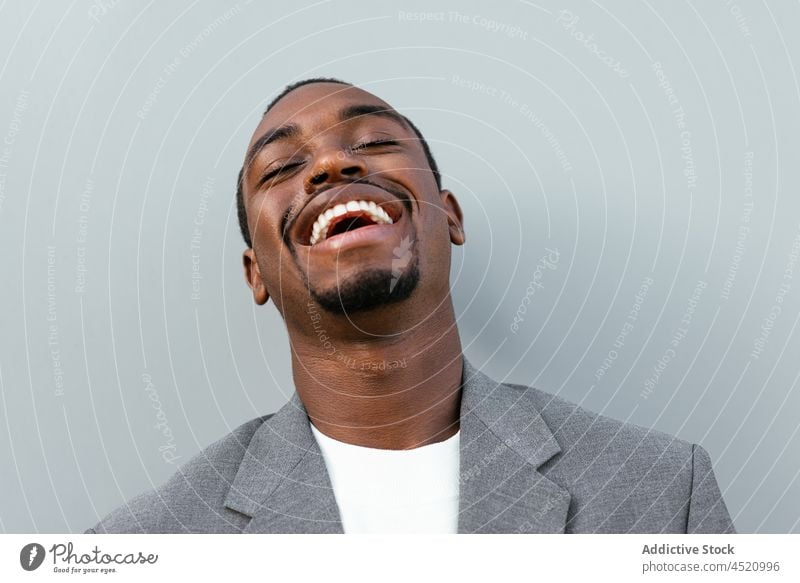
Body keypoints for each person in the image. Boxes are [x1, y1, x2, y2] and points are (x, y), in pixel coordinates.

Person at [86, 78, 735, 534]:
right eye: (283, 165)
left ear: (447, 215)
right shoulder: (146, 543)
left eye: (370, 143)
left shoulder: (662, 490)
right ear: (256, 272)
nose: (332, 163)